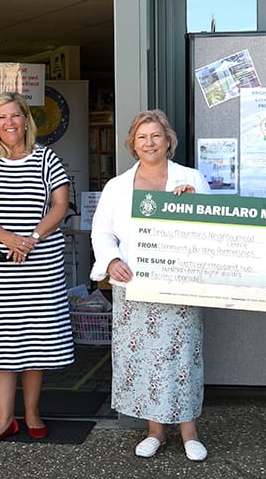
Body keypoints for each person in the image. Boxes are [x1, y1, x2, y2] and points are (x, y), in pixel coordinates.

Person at [90, 110, 211, 462]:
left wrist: (195, 207)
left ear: (168, 140)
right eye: (142, 137)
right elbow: (102, 232)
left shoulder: (190, 179)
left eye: (156, 136)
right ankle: (155, 431)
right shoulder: (117, 186)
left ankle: (189, 432)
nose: (149, 143)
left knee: (183, 355)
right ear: (133, 144)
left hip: (179, 284)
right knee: (145, 359)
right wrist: (112, 261)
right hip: (135, 285)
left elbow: (212, 231)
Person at [0, 91, 74, 446]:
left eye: (15, 115)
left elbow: (60, 204)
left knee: (35, 341)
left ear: (27, 119)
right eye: (1, 117)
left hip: (39, 264)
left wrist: (32, 237)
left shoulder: (47, 159)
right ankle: (4, 419)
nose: (9, 123)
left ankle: (33, 412)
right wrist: (9, 238)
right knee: (1, 342)